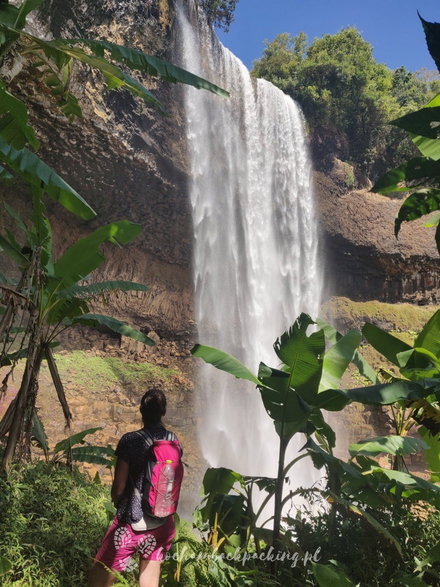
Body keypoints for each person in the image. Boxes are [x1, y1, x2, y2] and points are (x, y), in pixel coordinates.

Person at [88, 388, 181, 587]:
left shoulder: (131, 440)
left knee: (101, 573)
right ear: (163, 411)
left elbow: (119, 488)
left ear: (141, 410)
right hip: (163, 523)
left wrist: (116, 501)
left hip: (130, 522)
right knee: (149, 579)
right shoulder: (174, 441)